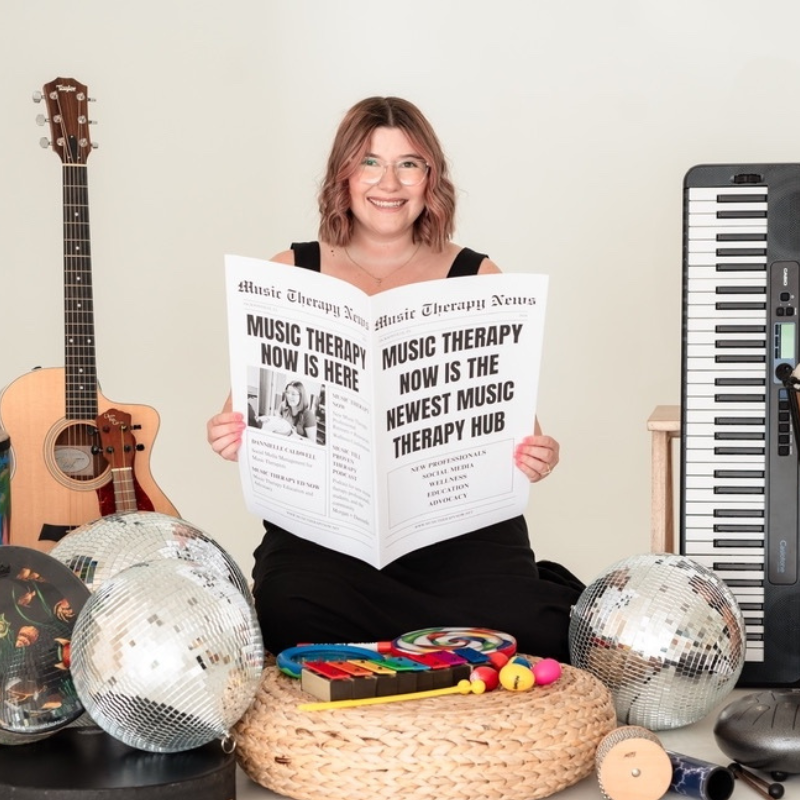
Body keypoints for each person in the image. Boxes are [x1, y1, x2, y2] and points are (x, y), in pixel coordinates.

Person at [207, 96, 584, 662]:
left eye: (408, 163)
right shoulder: (290, 269)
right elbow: (249, 406)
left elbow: (514, 421)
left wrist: (539, 454)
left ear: (430, 178)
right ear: (344, 174)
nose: (389, 182)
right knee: (288, 615)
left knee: (538, 631)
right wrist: (226, 433)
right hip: (328, 533)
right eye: (370, 162)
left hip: (454, 532)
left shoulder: (476, 275)